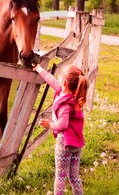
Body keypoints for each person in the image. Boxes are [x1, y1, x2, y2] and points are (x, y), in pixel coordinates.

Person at [34, 64, 87, 195]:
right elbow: (51, 80)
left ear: (64, 82)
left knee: (60, 175)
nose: (58, 79)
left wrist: (49, 124)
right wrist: (39, 69)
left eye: (61, 76)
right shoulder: (69, 94)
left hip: (65, 143)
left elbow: (62, 125)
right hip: (76, 143)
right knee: (74, 176)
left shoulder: (65, 104)